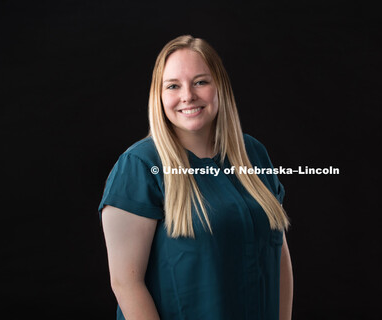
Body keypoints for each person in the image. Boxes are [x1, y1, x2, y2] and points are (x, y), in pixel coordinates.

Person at [99, 35, 293, 320]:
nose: (187, 95)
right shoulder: (139, 166)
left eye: (201, 81)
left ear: (220, 87)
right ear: (159, 95)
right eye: (173, 86)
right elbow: (126, 284)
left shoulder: (252, 152)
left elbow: (280, 255)